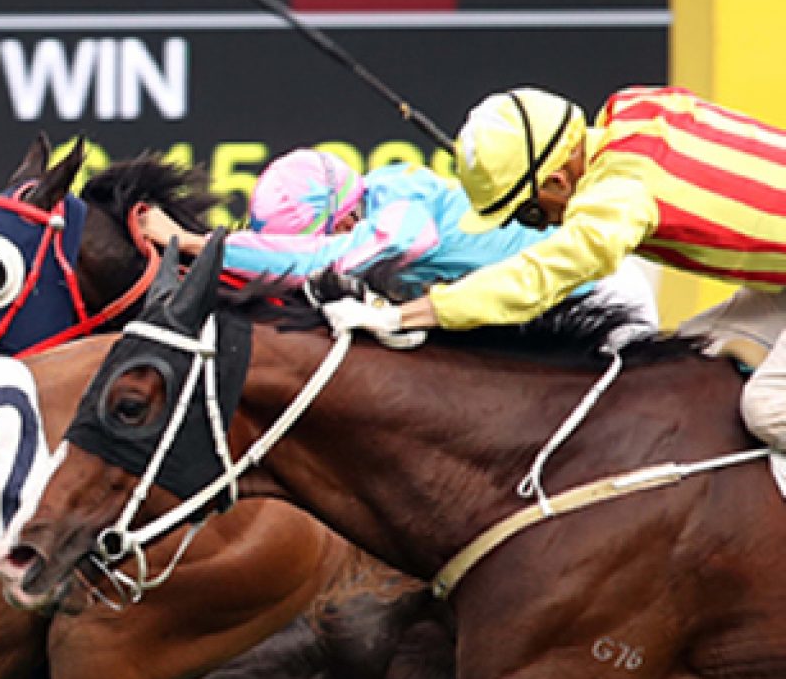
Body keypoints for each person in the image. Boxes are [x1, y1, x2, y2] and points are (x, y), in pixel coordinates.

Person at [320, 87, 786, 448]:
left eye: (531, 214)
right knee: (683, 372)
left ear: (559, 182)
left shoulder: (621, 198)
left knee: (767, 409)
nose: (541, 226)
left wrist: (402, 316)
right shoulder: (634, 110)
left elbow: (537, 278)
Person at [142, 147, 659, 328]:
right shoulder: (376, 203)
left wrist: (199, 244)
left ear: (345, 218)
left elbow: (329, 259)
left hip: (600, 298)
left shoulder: (400, 210)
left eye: (321, 237)